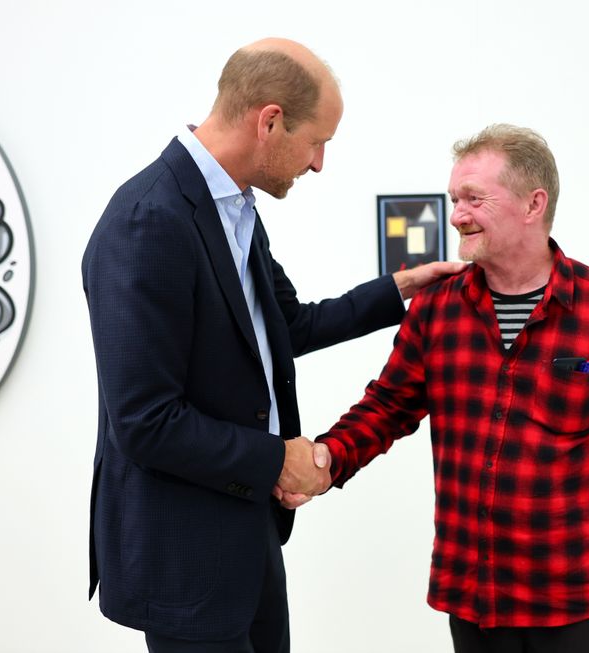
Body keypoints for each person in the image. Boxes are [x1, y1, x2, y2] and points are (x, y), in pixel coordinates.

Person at [81, 37, 462, 653]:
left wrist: (400, 290)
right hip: (187, 561)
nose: (317, 164)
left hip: (246, 533)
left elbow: (287, 325)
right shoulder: (148, 221)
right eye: (317, 142)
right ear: (271, 121)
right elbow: (143, 422)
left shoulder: (234, 208)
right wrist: (274, 459)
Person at [310, 124, 589, 653]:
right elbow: (387, 407)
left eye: (474, 199)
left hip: (582, 604)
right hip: (478, 605)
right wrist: (324, 459)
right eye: (455, 199)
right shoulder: (437, 308)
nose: (456, 214)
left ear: (532, 204)